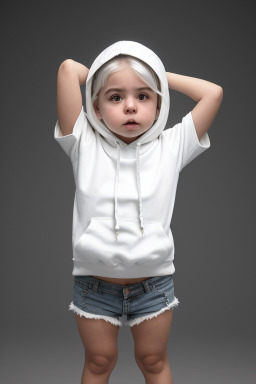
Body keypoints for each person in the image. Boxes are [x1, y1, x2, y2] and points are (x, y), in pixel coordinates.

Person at [54, 40, 223, 384]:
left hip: (154, 285)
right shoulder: (83, 142)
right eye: (115, 97)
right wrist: (114, 69)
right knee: (99, 362)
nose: (130, 106)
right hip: (93, 285)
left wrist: (156, 73)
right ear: (96, 108)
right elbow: (69, 69)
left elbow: (214, 93)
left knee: (153, 361)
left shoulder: (172, 147)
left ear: (159, 104)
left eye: (143, 96)